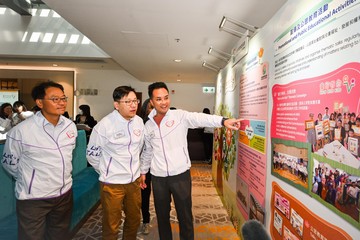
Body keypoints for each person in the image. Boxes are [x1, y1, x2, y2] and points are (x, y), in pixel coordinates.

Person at [140, 82, 241, 240]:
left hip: (180, 175)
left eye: (166, 97)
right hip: (158, 177)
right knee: (162, 216)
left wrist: (223, 121)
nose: (164, 102)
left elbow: (201, 118)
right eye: (158, 99)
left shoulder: (179, 116)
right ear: (151, 102)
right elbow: (148, 150)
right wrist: (143, 171)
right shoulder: (148, 125)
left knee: (185, 216)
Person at [1, 81, 77, 239]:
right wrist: (31, 179)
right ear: (39, 102)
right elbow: (10, 164)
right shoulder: (21, 131)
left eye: (63, 98)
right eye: (55, 99)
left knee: (60, 235)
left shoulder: (70, 126)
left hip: (64, 194)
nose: (62, 102)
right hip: (34, 198)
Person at [86, 86, 144, 240]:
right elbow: (92, 155)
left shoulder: (138, 121)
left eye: (135, 101)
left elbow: (139, 148)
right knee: (112, 224)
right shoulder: (105, 125)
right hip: (112, 183)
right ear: (116, 105)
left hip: (133, 181)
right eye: (128, 102)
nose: (133, 105)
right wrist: (106, 171)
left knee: (134, 219)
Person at [138, 98, 153, 235]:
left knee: (164, 195)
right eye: (150, 107)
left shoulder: (163, 123)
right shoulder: (140, 124)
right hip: (144, 166)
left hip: (160, 166)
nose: (152, 110)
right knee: (144, 195)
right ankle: (145, 221)